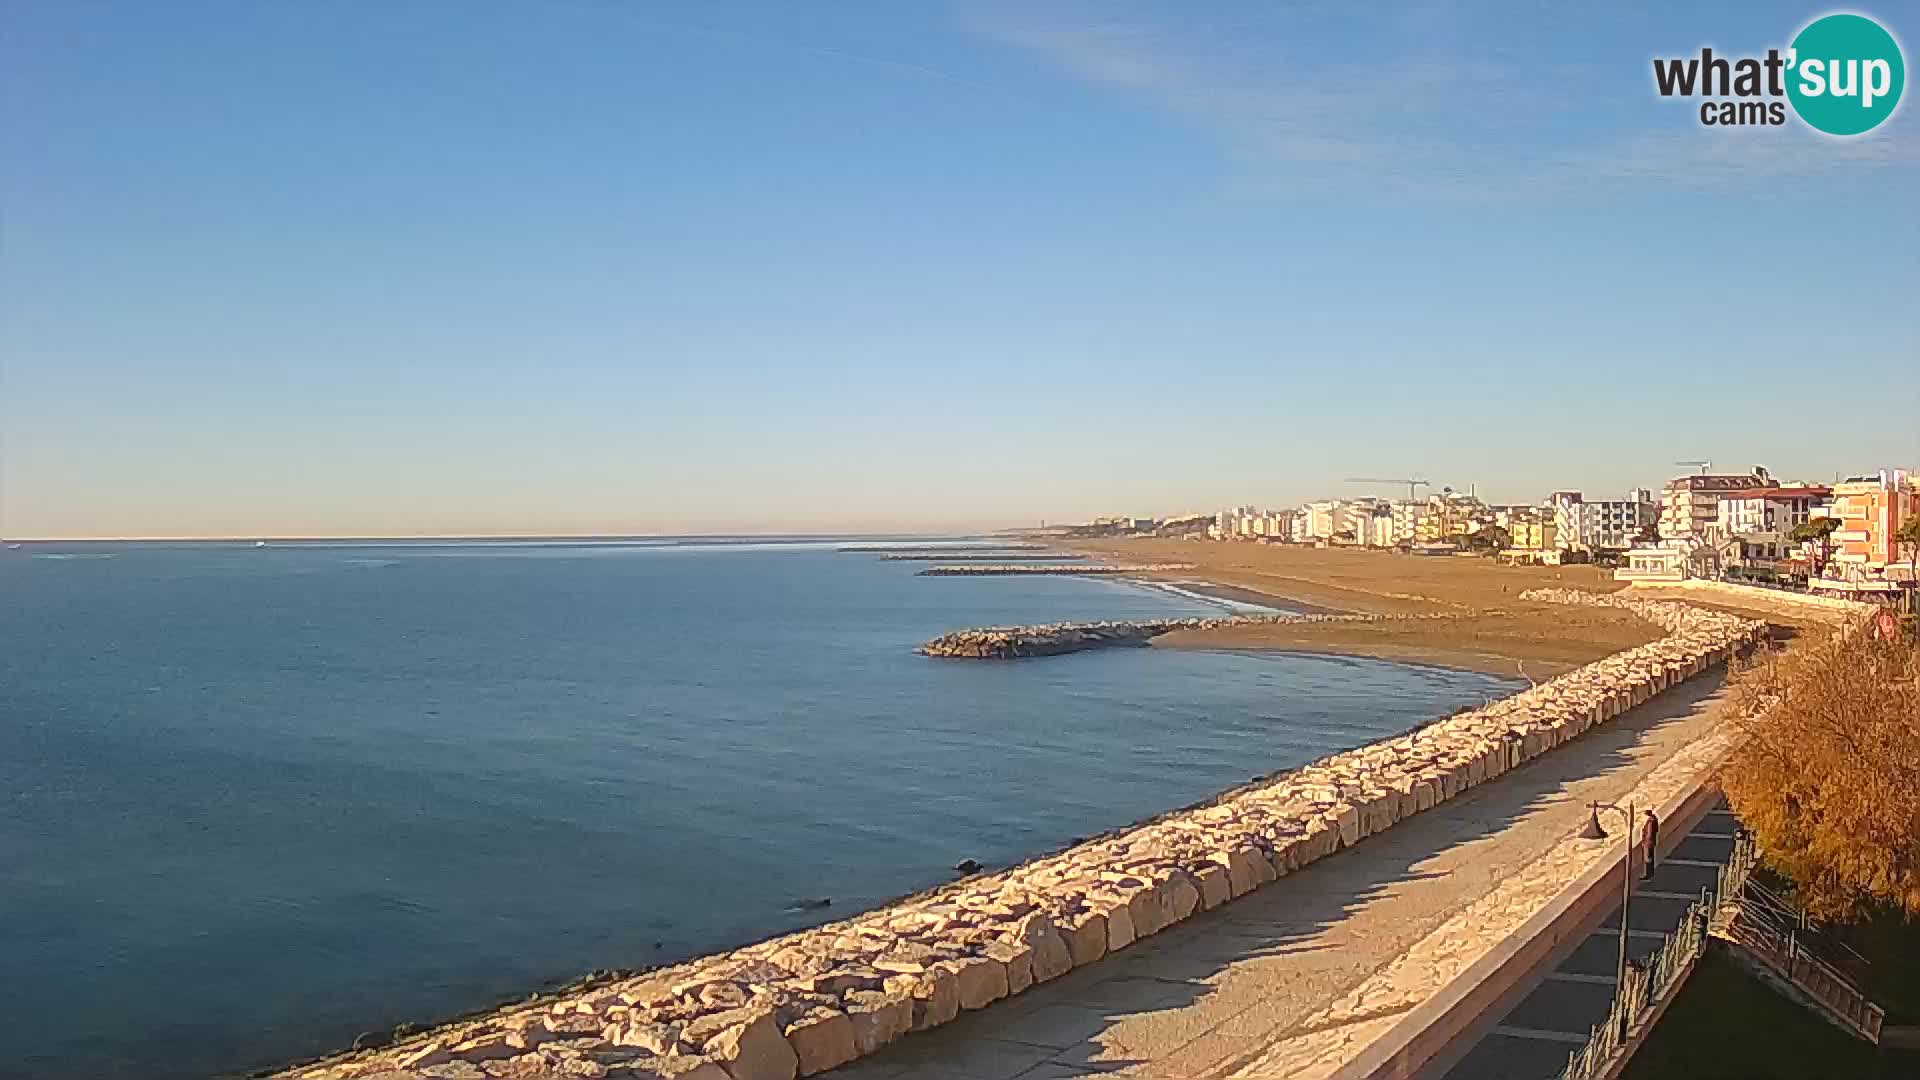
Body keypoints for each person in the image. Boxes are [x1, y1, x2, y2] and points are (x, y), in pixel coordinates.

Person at [1641, 809, 1660, 880]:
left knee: (1648, 859)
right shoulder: (1654, 819)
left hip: (1648, 843)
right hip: (1652, 842)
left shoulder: (1650, 822)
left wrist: (1645, 841)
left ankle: (1648, 875)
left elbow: (1649, 833)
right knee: (1651, 858)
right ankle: (1651, 873)